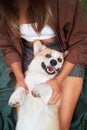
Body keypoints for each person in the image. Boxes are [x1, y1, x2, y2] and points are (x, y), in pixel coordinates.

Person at [0, 0, 87, 130]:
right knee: (26, 122)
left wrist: (58, 79)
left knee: (61, 126)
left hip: (68, 51)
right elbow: (8, 47)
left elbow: (81, 41)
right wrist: (19, 78)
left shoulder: (64, 2)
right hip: (32, 50)